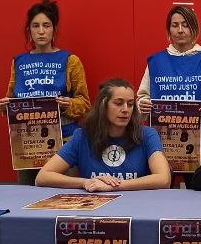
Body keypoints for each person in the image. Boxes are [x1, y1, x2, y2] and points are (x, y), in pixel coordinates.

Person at [0, 0, 90, 185]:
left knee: (63, 195)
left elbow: (85, 104)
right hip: (27, 143)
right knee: (27, 195)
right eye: (35, 26)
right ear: (28, 30)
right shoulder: (19, 62)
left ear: (54, 29)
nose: (41, 31)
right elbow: (12, 100)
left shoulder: (70, 60)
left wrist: (68, 104)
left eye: (46, 25)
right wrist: (5, 106)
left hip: (63, 142)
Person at [36, 78, 170, 192]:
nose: (125, 110)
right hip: (94, 207)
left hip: (136, 206)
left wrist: (115, 186)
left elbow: (164, 179)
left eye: (130, 104)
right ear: (103, 105)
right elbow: (42, 177)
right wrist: (86, 182)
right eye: (118, 103)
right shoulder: (82, 136)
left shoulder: (147, 135)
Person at [137, 6, 201, 167]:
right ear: (169, 29)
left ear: (194, 28)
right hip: (163, 142)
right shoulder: (155, 61)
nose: (180, 30)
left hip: (200, 144)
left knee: (199, 183)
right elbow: (142, 97)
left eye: (185, 25)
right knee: (161, 182)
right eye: (175, 25)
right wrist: (142, 104)